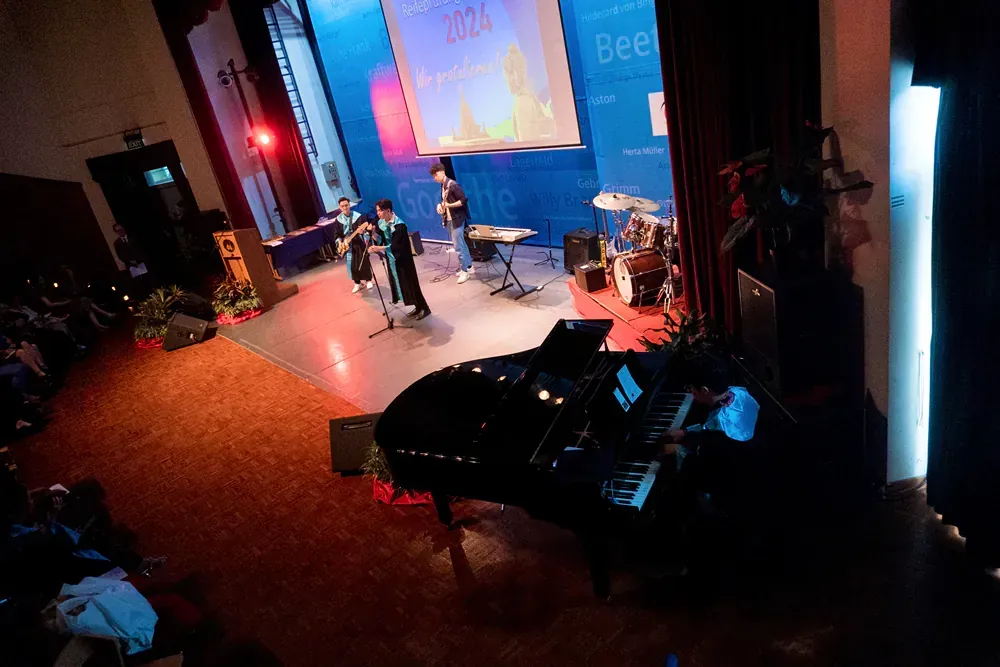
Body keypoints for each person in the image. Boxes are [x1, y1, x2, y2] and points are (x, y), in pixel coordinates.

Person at [368, 199, 431, 320]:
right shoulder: (383, 222)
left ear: (388, 210)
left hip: (403, 260)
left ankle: (425, 308)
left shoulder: (399, 225)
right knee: (404, 285)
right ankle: (417, 307)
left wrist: (379, 247)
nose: (378, 214)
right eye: (377, 211)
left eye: (380, 211)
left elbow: (398, 246)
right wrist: (374, 235)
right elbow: (382, 239)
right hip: (393, 260)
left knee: (412, 284)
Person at [429, 163, 475, 284]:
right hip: (450, 218)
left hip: (457, 219)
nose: (435, 178)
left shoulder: (453, 185)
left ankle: (465, 271)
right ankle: (469, 267)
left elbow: (463, 200)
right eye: (433, 176)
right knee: (462, 244)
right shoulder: (443, 186)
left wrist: (449, 205)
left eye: (436, 174)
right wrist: (440, 205)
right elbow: (444, 201)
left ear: (442, 172)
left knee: (458, 246)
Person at [333, 197, 373, 293]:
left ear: (349, 205)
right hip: (347, 245)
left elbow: (366, 229)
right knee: (351, 265)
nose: (345, 207)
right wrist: (340, 243)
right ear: (340, 207)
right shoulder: (338, 220)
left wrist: (363, 232)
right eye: (342, 206)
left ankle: (368, 280)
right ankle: (357, 283)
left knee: (363, 262)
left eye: (346, 205)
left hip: (358, 243)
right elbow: (337, 234)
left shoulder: (358, 216)